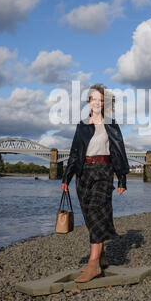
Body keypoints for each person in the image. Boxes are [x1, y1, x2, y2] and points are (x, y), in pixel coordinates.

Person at [61, 83, 130, 283]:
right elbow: (75, 153)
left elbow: (119, 152)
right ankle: (101, 256)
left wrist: (122, 178)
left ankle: (93, 266)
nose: (97, 103)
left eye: (101, 100)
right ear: (88, 102)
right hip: (84, 174)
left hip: (104, 172)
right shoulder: (82, 126)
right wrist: (66, 177)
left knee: (96, 212)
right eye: (93, 99)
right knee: (90, 217)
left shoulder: (111, 125)